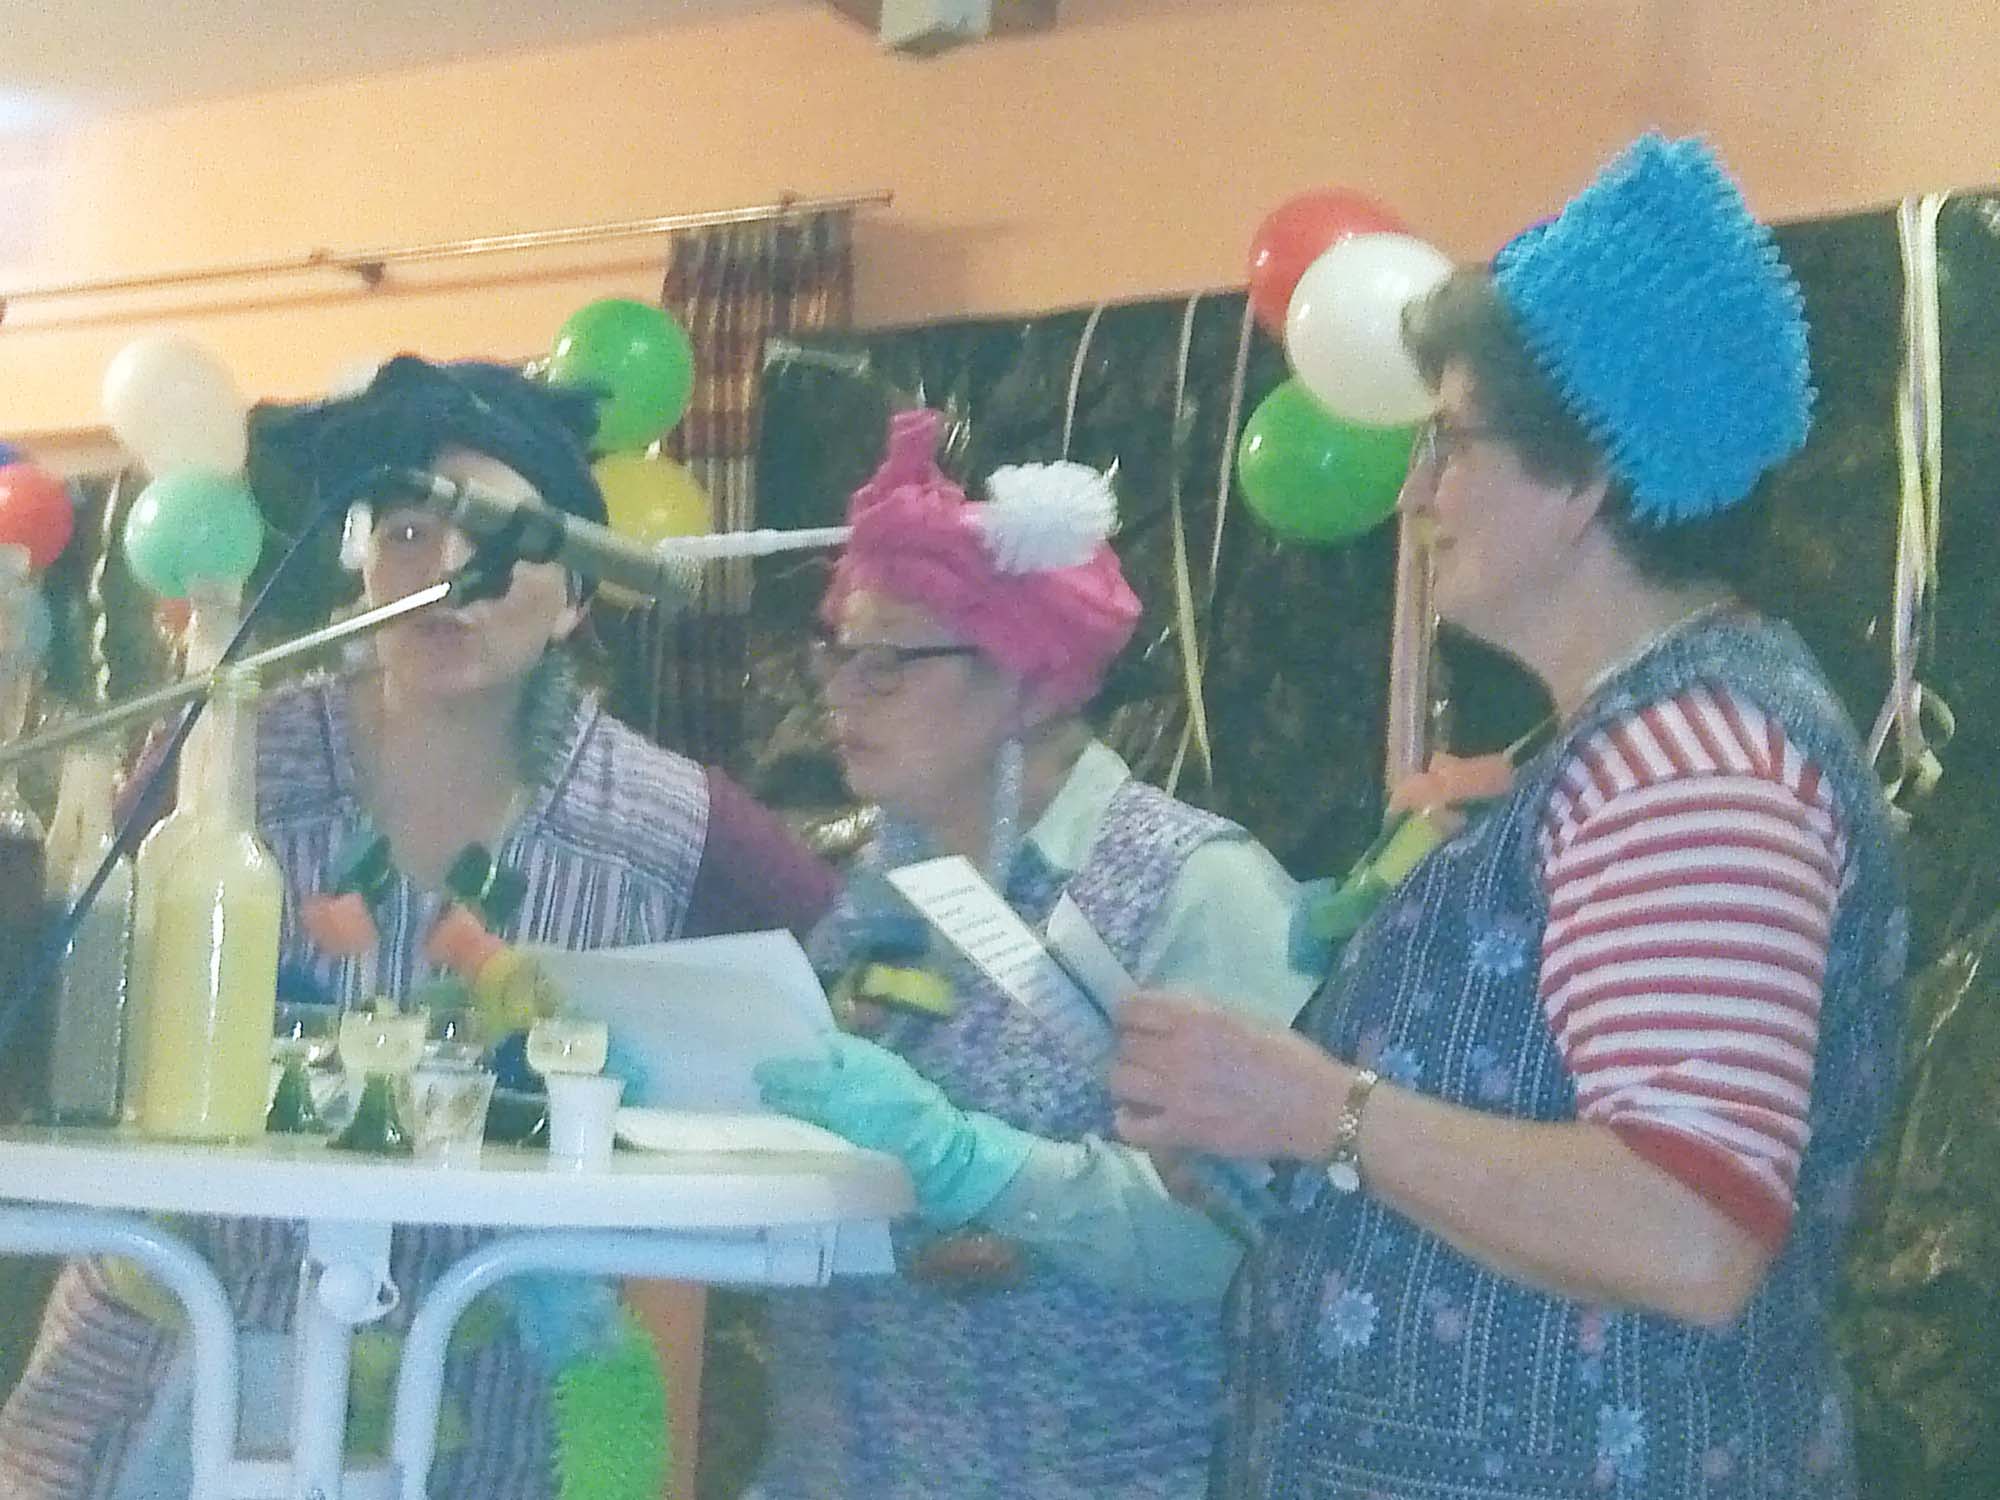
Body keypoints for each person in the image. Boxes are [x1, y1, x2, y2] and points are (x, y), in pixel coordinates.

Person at [1110, 135, 1908, 1498]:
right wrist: (1269, 1150)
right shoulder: (1630, 742)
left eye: (1452, 441)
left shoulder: (1692, 770)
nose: (1417, 492)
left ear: (1587, 477)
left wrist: (1318, 1109)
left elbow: (1685, 1229)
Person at [0, 356, 837, 1499]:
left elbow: (837, 1008)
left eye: (496, 539)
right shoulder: (221, 757)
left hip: (486, 1415)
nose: (445, 569)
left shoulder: (670, 826)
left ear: (577, 595)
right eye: (405, 533)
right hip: (168, 1374)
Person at [748, 408, 1317, 1499]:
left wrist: (983, 1173)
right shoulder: (872, 892)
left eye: (888, 663)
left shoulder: (1192, 888)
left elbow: (1242, 1237)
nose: (839, 692)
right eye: (838, 653)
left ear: (1032, 679)